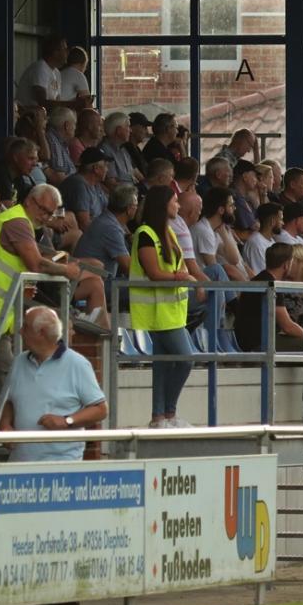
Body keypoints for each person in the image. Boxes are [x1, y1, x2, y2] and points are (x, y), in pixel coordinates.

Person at [1, 306, 107, 605]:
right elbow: (9, 399)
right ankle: (53, 602)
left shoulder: (77, 365)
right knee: (26, 538)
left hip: (59, 465)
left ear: (42, 334)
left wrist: (67, 421)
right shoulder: (20, 363)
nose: (20, 333)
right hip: (22, 463)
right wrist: (5, 425)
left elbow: (100, 408)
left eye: (25, 328)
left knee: (50, 536)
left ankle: (59, 599)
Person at [0, 183, 86, 429]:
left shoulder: (22, 223)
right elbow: (36, 263)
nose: (45, 218)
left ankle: (0, 430)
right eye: (44, 211)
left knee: (4, 370)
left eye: (50, 214)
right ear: (31, 202)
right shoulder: (17, 222)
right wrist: (67, 270)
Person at [129, 184, 195, 429]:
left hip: (173, 311)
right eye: (175, 201)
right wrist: (180, 277)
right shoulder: (145, 233)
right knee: (186, 359)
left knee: (163, 363)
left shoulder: (169, 232)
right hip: (157, 311)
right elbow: (155, 273)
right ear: (162, 204)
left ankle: (160, 417)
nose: (178, 205)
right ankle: (168, 411)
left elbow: (180, 265)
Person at [73, 183, 137, 284]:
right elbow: (128, 267)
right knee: (144, 288)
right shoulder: (111, 228)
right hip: (93, 284)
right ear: (129, 209)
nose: (136, 209)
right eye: (135, 206)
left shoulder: (107, 220)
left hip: (95, 281)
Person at [242, 202, 283, 275]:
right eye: (280, 219)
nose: (283, 223)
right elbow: (261, 274)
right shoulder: (255, 243)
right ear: (272, 221)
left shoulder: (272, 241)